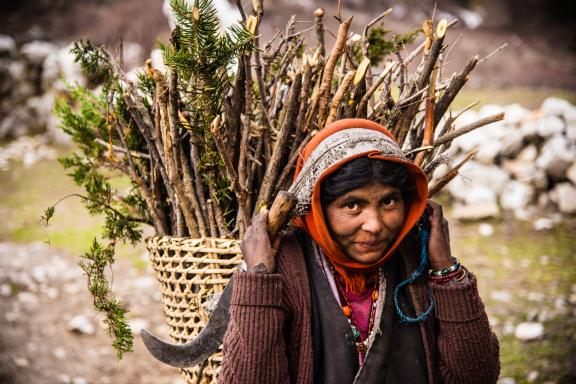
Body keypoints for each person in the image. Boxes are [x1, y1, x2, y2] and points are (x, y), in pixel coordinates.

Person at [218, 118, 500, 383]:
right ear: (318, 208)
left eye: (389, 201)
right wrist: (258, 279)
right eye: (352, 205)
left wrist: (446, 270)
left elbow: (476, 377)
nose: (375, 225)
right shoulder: (289, 268)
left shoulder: (418, 260)